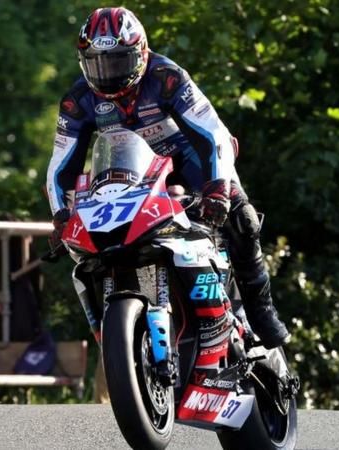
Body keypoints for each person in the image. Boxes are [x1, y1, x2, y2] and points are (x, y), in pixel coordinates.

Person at [46, 7, 289, 349]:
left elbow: (213, 133)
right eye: (97, 63)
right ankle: (121, 328)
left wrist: (217, 188)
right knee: (97, 243)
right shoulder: (78, 101)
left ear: (141, 54)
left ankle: (261, 310)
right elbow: (60, 166)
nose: (108, 74)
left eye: (117, 62)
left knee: (242, 218)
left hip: (187, 160)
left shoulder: (167, 77)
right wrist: (59, 216)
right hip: (125, 174)